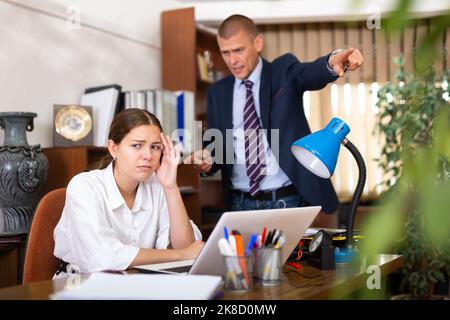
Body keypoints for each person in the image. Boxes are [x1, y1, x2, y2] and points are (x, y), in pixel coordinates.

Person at [185, 14, 363, 225]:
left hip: (287, 200)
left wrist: (332, 61)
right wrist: (209, 158)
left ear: (257, 43)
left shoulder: (282, 71)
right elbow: (219, 147)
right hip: (239, 205)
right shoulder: (217, 93)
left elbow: (308, 73)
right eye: (225, 52)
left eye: (238, 50)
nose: (232, 60)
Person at [53, 108, 204, 275]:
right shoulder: (84, 186)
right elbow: (103, 256)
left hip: (138, 282)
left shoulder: (158, 185)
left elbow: (188, 248)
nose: (148, 155)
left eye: (155, 147)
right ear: (113, 148)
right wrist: (180, 255)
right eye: (137, 145)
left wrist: (170, 187)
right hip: (81, 284)